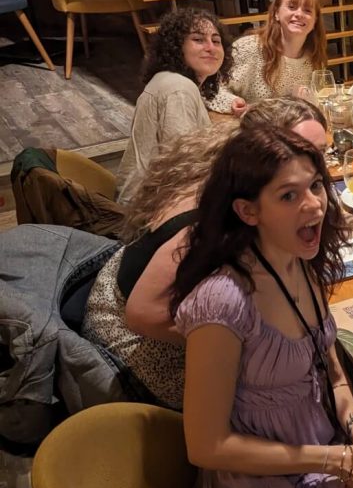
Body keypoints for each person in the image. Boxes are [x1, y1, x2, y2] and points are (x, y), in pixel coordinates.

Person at [169, 124, 353, 488]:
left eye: (316, 184)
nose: (315, 204)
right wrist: (338, 461)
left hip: (322, 449)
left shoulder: (302, 264)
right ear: (247, 211)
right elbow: (205, 446)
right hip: (264, 486)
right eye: (288, 196)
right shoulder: (223, 302)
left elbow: (334, 377)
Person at [84, 98, 331, 410]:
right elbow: (141, 314)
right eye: (300, 151)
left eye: (320, 152)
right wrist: (231, 342)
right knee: (275, 385)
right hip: (130, 332)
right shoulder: (213, 214)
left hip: (175, 303)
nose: (313, 164)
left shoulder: (250, 184)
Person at [117, 8, 231, 205]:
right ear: (177, 47)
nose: (210, 47)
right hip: (152, 209)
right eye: (198, 39)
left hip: (158, 200)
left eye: (216, 40)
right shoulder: (178, 88)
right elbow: (185, 164)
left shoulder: (174, 82)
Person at [208, 0, 327, 116]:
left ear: (315, 20)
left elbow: (317, 100)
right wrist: (233, 102)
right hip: (249, 129)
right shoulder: (249, 48)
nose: (299, 14)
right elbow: (212, 88)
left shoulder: (314, 56)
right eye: (292, 7)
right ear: (276, 13)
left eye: (307, 10)